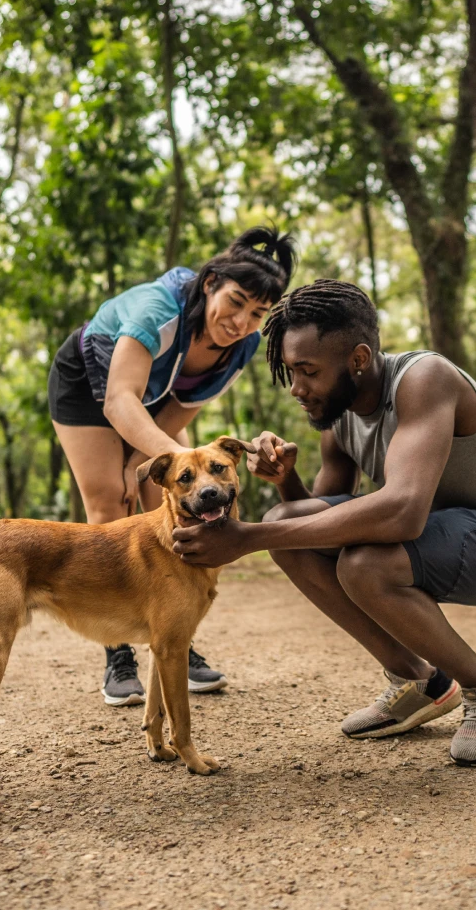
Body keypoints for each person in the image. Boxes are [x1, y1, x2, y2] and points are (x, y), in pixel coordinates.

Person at [171, 280, 476, 767]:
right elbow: (317, 524)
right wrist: (284, 483)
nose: (296, 388)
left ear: (358, 359)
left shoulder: (425, 379)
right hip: (449, 534)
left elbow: (402, 510)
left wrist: (248, 536)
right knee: (289, 524)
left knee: (364, 565)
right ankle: (420, 680)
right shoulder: (339, 418)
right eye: (290, 372)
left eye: (308, 372)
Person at [49, 227, 294, 705]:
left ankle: (173, 636)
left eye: (257, 313)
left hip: (155, 402)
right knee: (109, 503)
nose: (242, 321)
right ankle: (117, 658)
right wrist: (155, 462)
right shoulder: (158, 310)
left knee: (166, 506)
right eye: (236, 301)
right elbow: (121, 400)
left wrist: (147, 464)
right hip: (89, 385)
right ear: (210, 284)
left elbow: (177, 414)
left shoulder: (242, 346)